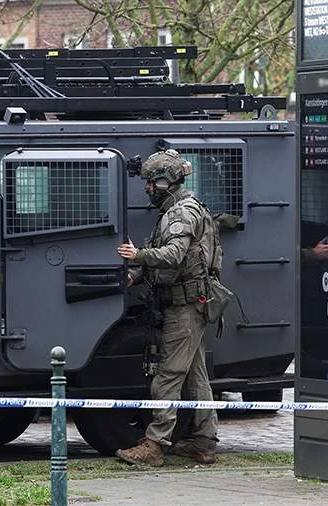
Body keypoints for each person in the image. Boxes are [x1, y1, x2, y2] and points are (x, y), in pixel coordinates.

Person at [115, 149, 219, 466]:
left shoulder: (181, 214)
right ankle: (204, 443)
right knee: (195, 376)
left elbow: (173, 255)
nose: (148, 188)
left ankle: (155, 445)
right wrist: (137, 274)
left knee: (168, 376)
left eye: (152, 182)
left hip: (185, 308)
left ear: (167, 182)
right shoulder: (177, 210)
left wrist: (138, 257)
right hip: (190, 305)